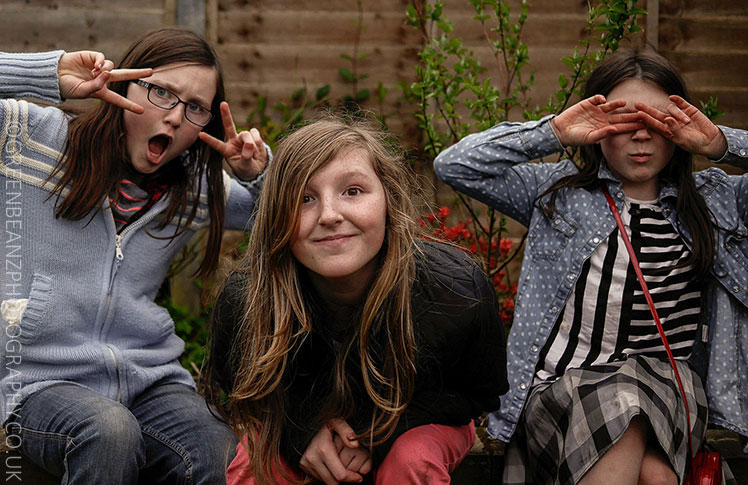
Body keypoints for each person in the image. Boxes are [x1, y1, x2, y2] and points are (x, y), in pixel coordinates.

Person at [434, 48, 748, 484]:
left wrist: (719, 143)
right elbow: (454, 165)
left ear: (680, 128)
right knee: (643, 451)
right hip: (564, 391)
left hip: (670, 393)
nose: (641, 136)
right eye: (625, 121)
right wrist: (555, 131)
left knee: (635, 417)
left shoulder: (717, 201)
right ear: (598, 128)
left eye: (656, 122)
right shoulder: (558, 193)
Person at [0, 28, 268, 483]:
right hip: (33, 378)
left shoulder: (198, 192)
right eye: (163, 92)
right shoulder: (31, 140)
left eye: (196, 108)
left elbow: (294, 214)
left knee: (215, 448)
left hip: (147, 380)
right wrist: (48, 73)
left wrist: (258, 174)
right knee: (108, 432)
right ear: (125, 86)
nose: (176, 118)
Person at [202, 115, 508, 485]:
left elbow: (479, 393)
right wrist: (299, 436)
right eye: (305, 198)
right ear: (276, 216)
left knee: (412, 460)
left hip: (417, 421)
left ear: (388, 200)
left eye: (353, 191)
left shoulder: (456, 290)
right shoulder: (248, 299)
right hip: (294, 417)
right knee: (259, 463)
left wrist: (372, 437)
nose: (330, 215)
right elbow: (237, 391)